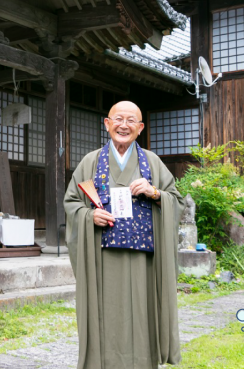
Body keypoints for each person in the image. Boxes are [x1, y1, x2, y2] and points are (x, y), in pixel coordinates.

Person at [64, 101, 184, 369]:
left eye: (131, 121)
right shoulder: (90, 162)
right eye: (118, 119)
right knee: (105, 315)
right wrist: (89, 216)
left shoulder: (152, 162)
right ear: (107, 124)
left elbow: (176, 201)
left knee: (142, 314)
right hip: (102, 256)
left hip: (144, 262)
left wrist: (154, 193)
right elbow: (72, 203)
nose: (124, 125)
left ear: (140, 128)